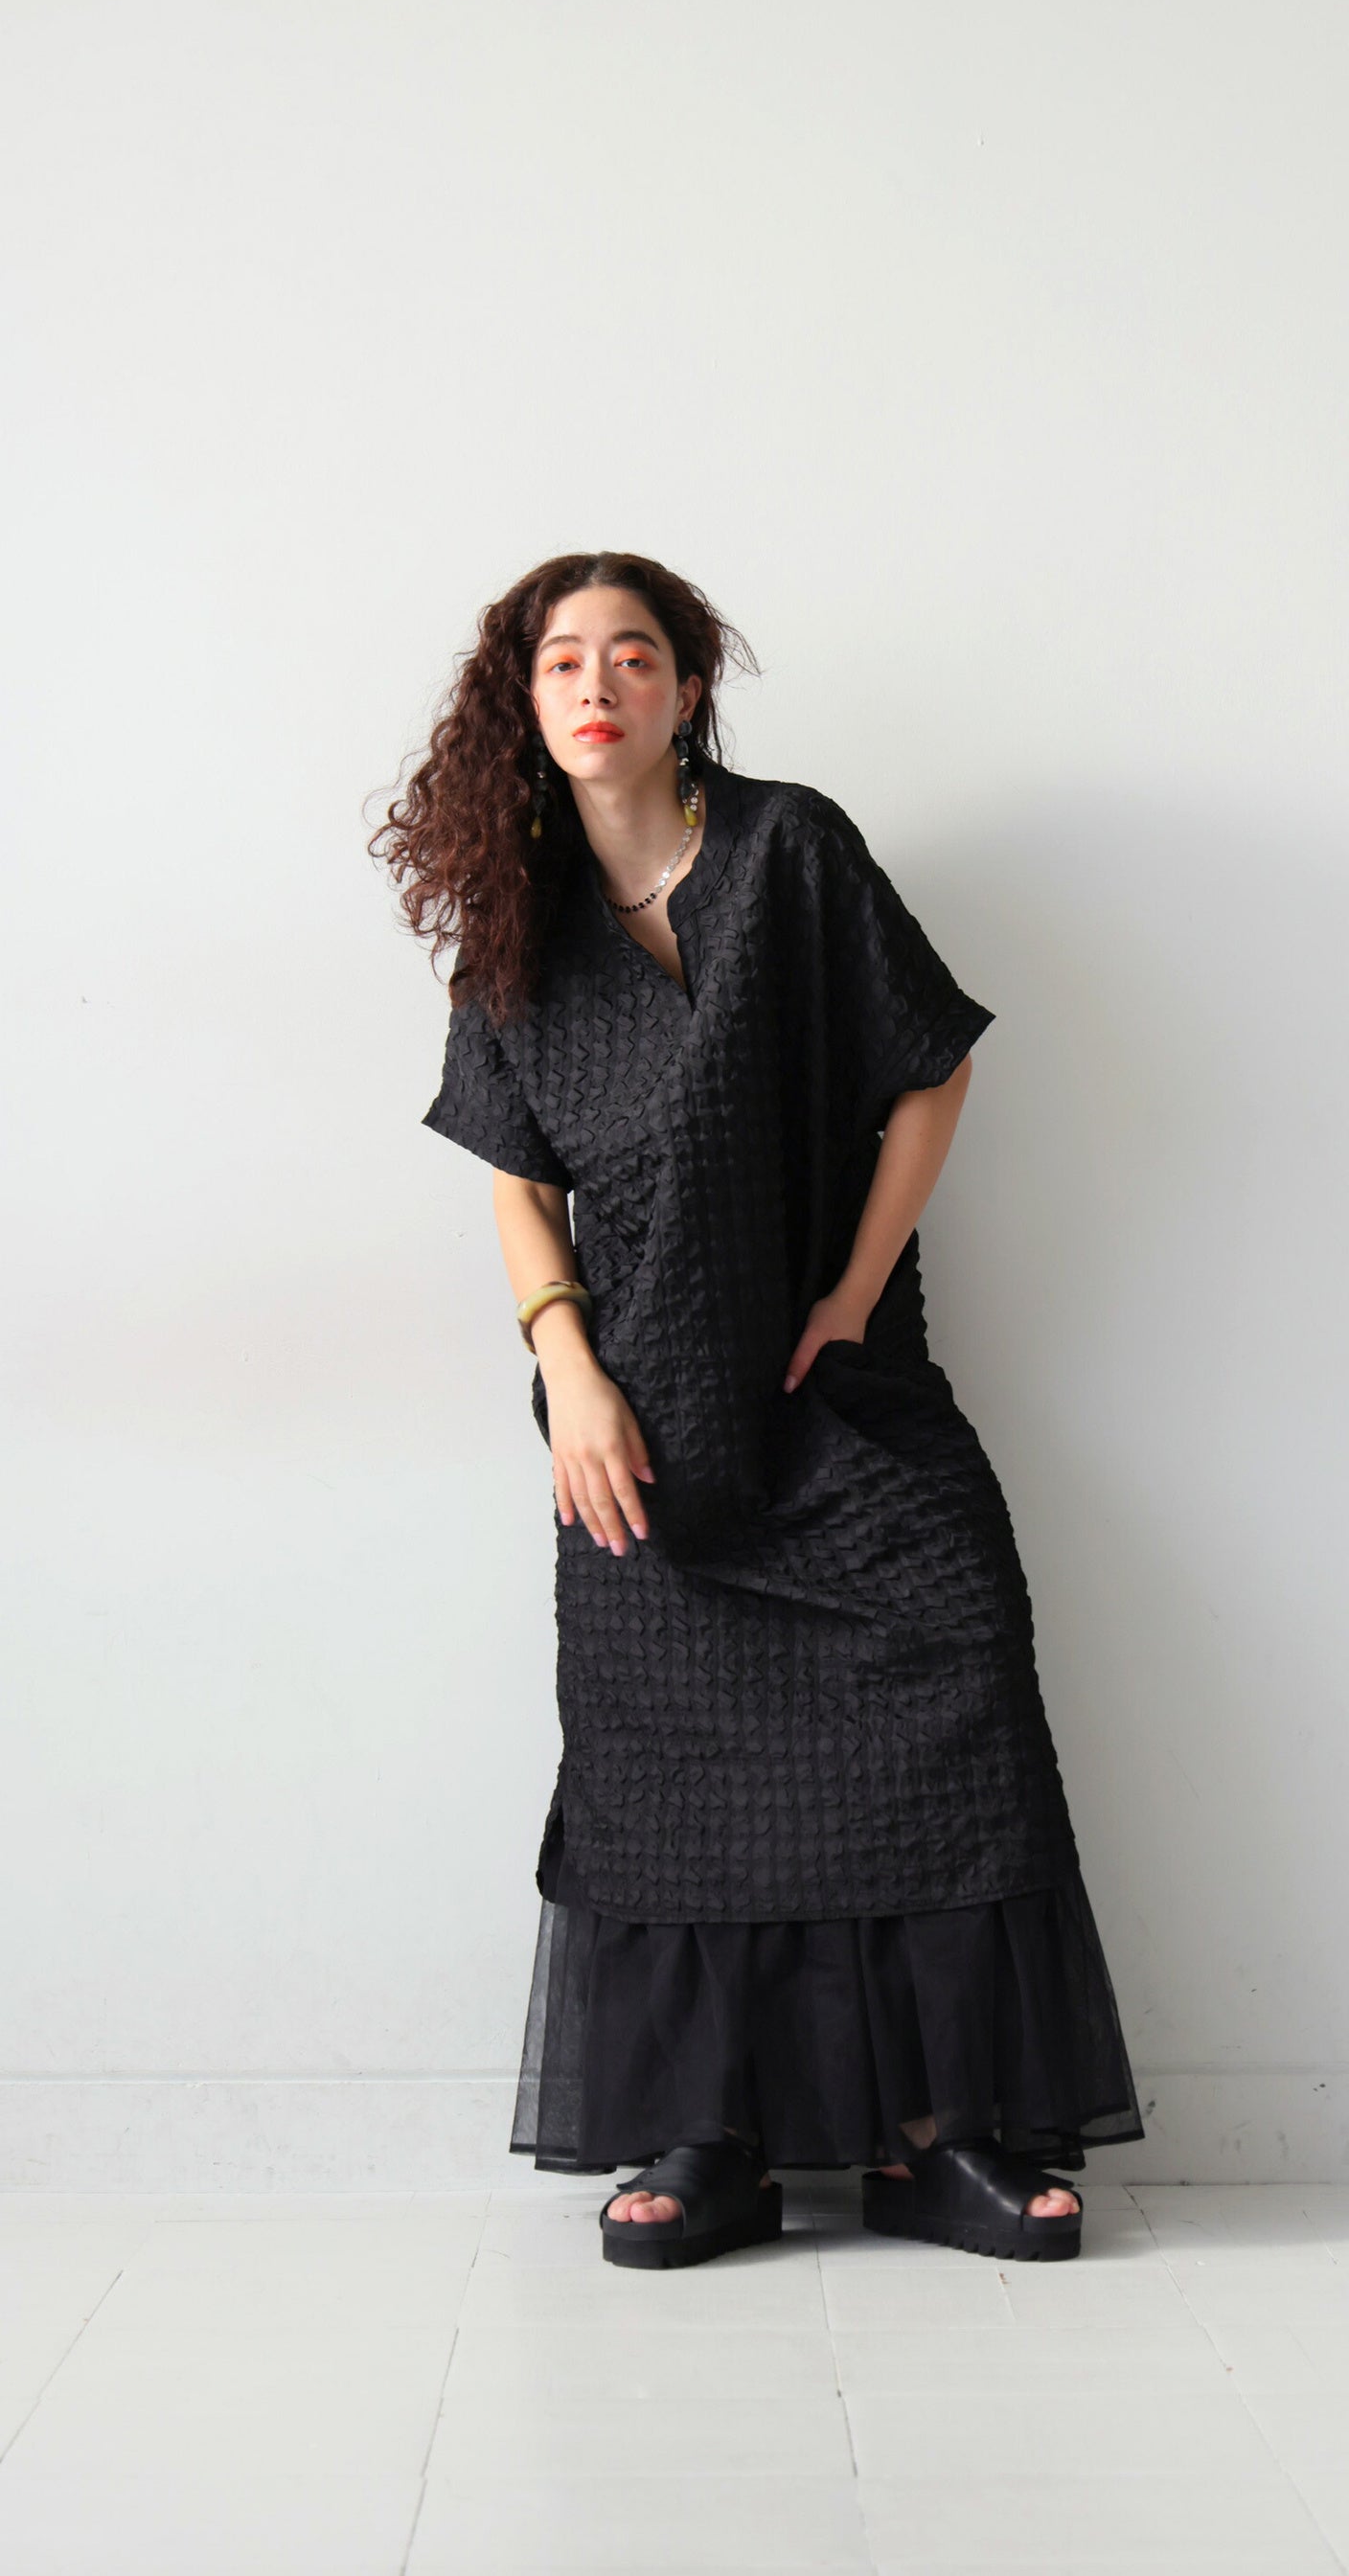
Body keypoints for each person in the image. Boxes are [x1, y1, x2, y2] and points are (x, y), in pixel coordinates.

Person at [371, 550, 1145, 2269]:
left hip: (840, 1391)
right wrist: (570, 1374)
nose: (596, 685)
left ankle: (935, 2143)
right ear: (521, 699)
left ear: (688, 688)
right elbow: (517, 1181)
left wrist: (851, 1295)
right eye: (561, 660)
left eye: (632, 655)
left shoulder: (791, 851)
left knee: (957, 1696)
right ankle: (702, 2140)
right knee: (669, 1778)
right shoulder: (511, 919)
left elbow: (931, 1067)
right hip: (638, 1423)